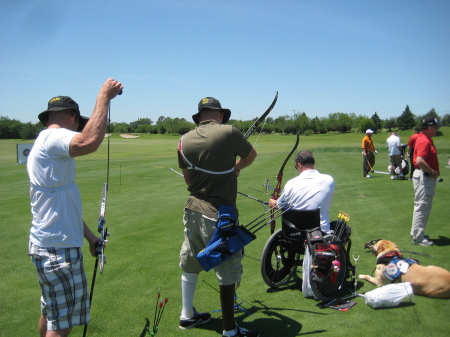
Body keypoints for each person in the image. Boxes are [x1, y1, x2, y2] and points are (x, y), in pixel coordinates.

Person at [27, 78, 123, 337]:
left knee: (50, 312)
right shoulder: (54, 137)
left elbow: (64, 208)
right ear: (71, 117)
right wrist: (104, 96)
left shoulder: (44, 142)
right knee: (63, 322)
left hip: (48, 246)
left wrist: (90, 237)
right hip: (58, 252)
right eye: (77, 122)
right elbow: (89, 141)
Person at [177, 97, 259, 337]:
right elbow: (251, 156)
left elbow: (189, 180)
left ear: (200, 117)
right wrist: (235, 169)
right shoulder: (229, 131)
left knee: (190, 261)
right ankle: (230, 331)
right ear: (220, 115)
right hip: (219, 213)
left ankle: (187, 315)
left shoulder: (182, 141)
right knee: (227, 269)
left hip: (192, 208)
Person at [268, 150, 334, 234]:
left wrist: (273, 203)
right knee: (345, 229)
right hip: (321, 233)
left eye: (296, 167)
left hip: (296, 234)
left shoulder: (291, 183)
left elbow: (280, 205)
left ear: (299, 165)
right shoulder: (329, 180)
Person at [410, 116, 441, 246]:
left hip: (423, 176)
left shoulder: (423, 139)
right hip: (425, 177)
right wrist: (432, 172)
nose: (437, 129)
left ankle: (415, 233)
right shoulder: (425, 141)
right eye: (435, 127)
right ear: (429, 127)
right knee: (422, 207)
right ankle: (418, 237)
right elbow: (420, 160)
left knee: (420, 206)